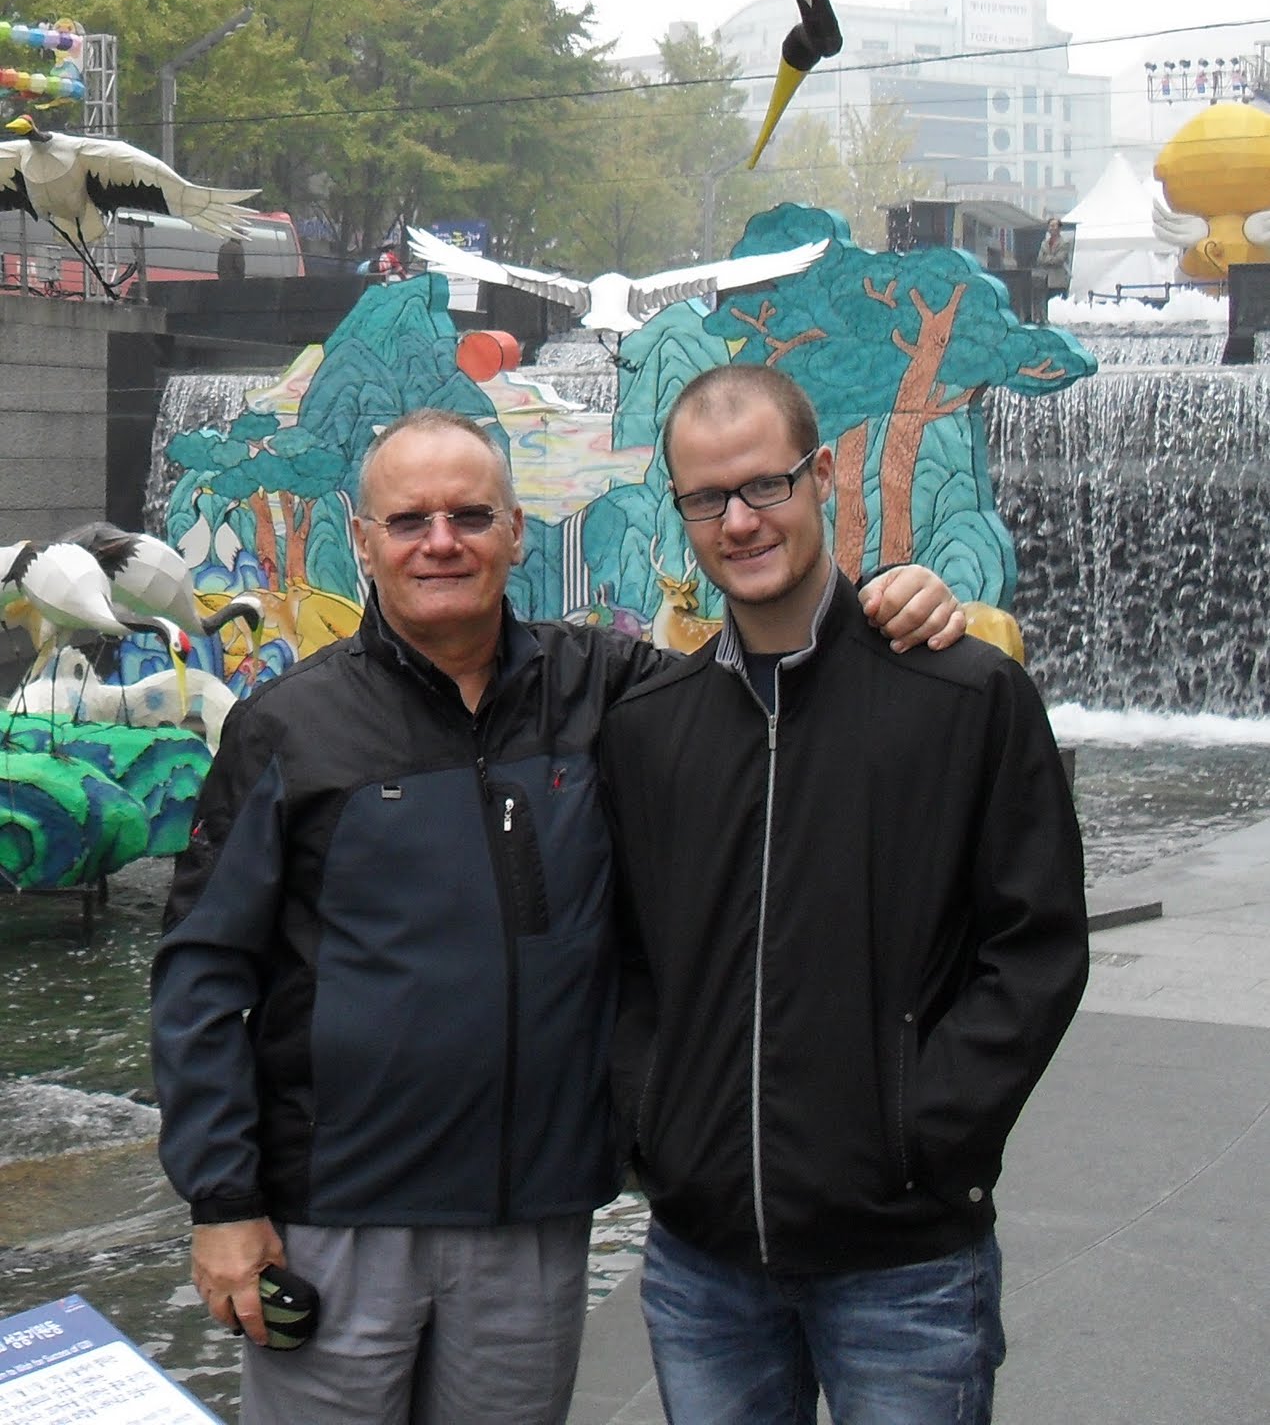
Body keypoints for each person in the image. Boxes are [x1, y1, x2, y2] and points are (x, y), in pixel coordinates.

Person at [150, 406, 964, 1425]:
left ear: (515, 531)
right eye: (409, 521)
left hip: (532, 1222)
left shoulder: (606, 690)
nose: (441, 542)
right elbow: (201, 972)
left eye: (469, 515)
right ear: (362, 539)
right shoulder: (288, 727)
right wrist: (224, 1201)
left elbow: (771, 687)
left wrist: (891, 600)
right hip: (337, 1218)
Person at [600, 367, 1088, 1425]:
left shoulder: (964, 696)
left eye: (764, 485)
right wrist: (653, 1127)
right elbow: (627, 961)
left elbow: (1035, 947)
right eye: (706, 498)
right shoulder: (649, 727)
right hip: (702, 1265)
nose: (739, 520)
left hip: (903, 1265)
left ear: (820, 474)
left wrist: (925, 1134)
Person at [1036, 217, 1071, 301]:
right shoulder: (1044, 243)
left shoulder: (1064, 243)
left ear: (1059, 228)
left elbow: (1059, 260)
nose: (1052, 228)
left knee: (1058, 305)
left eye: (1054, 226)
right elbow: (1039, 259)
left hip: (1058, 283)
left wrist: (1046, 258)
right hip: (1045, 282)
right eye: (1050, 226)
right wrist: (1051, 258)